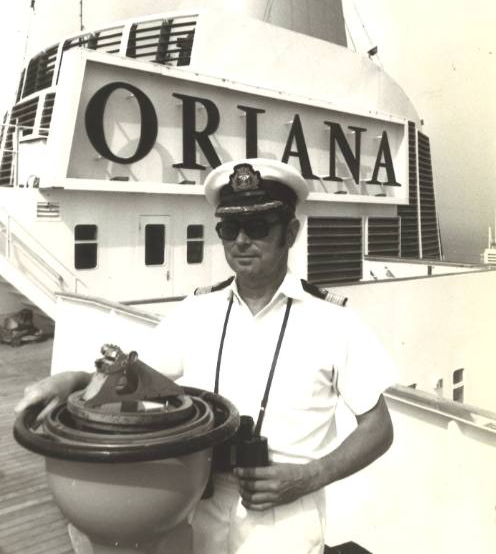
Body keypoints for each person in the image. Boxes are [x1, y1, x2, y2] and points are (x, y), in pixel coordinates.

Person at [15, 158, 394, 554]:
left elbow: (378, 427)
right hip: (200, 504)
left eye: (259, 227)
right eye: (229, 229)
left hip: (286, 520)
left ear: (291, 233)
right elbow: (138, 375)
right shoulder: (198, 311)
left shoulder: (334, 321)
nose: (241, 241)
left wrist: (310, 475)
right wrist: (74, 380)